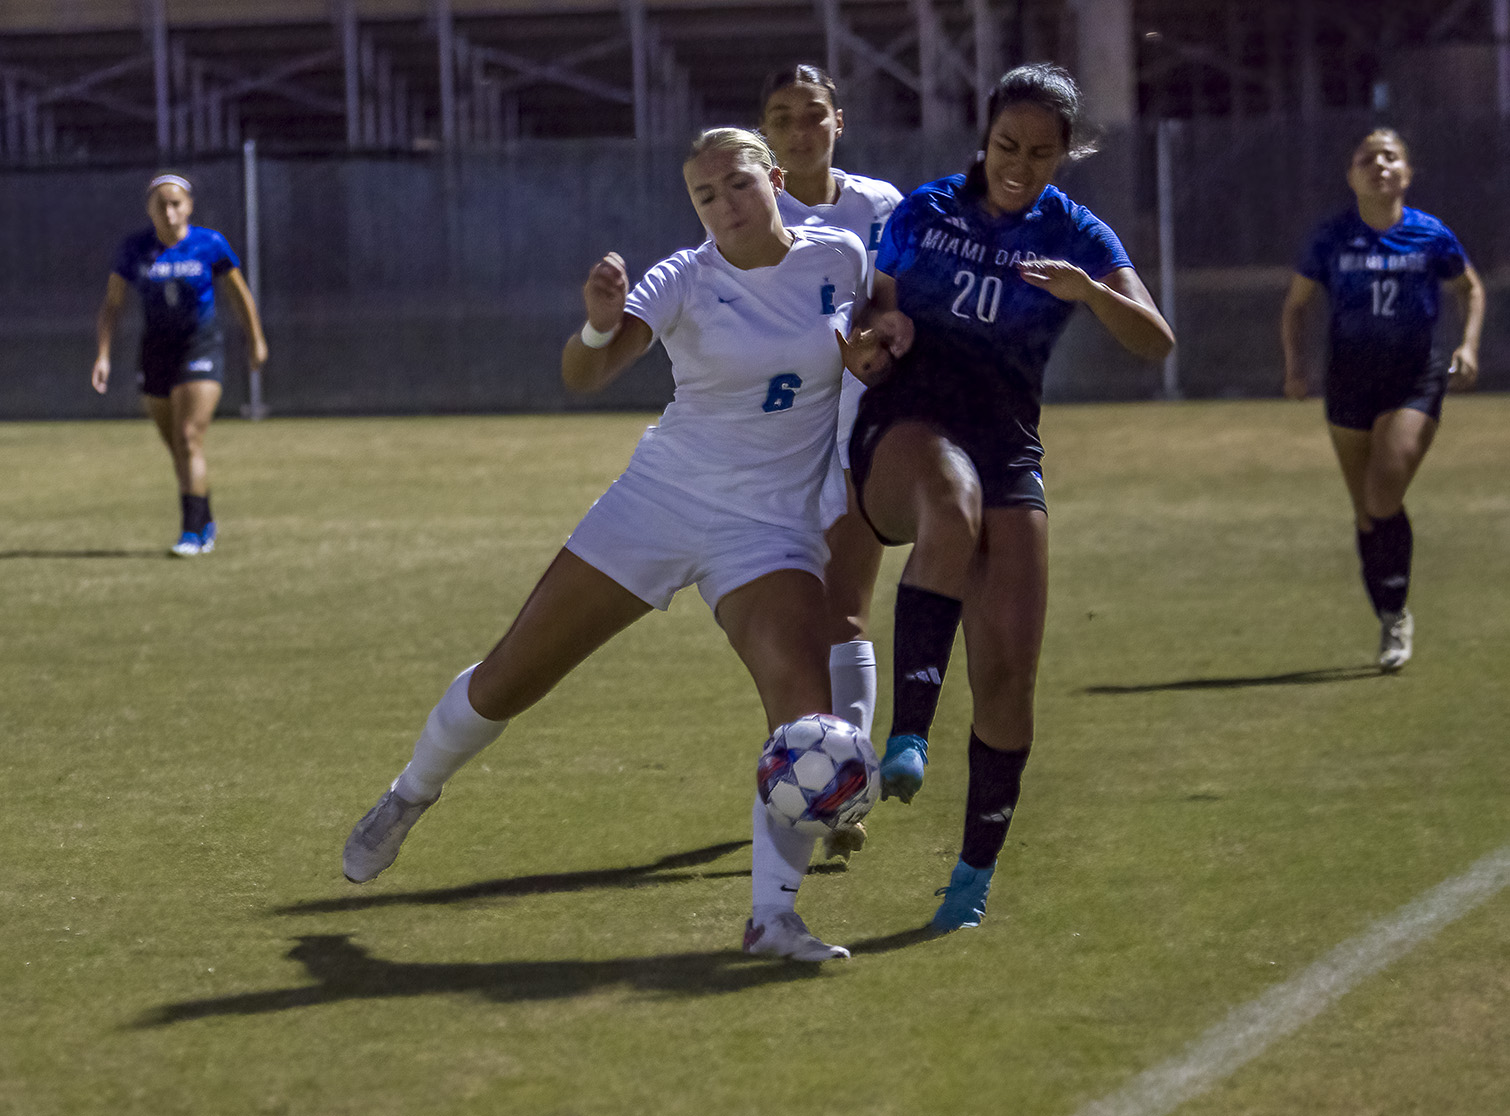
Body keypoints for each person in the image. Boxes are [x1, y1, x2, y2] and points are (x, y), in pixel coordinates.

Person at [342, 127, 873, 963]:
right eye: (705, 196)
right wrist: (595, 329)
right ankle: (412, 792)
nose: (725, 207)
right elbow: (585, 375)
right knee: (509, 678)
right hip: (658, 504)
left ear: (775, 178)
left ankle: (773, 919)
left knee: (803, 724)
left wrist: (887, 348)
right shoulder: (684, 277)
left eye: (738, 185)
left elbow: (876, 328)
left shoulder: (842, 255)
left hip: (769, 530)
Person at [838, 63, 1174, 932]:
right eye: (1005, 146)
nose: (1019, 164)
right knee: (949, 500)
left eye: (1040, 152)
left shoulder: (1078, 234)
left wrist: (1090, 293)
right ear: (982, 140)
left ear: (1066, 155)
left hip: (1007, 446)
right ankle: (907, 736)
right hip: (905, 426)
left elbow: (1156, 342)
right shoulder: (924, 211)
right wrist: (876, 337)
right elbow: (871, 320)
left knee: (1010, 679)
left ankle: (971, 876)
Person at [1280, 127, 1483, 671]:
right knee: (1367, 514)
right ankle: (1391, 614)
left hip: (1414, 378)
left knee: (1382, 494)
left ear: (1407, 174)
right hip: (1349, 380)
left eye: (1390, 157)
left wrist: (1467, 345)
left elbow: (1470, 289)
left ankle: (1395, 618)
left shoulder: (1430, 235)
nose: (1379, 165)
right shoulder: (1330, 238)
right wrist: (1295, 366)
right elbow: (1296, 305)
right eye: (1367, 158)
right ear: (1351, 176)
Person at [758, 64, 903, 746]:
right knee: (786, 625)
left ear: (838, 121)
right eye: (782, 118)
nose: (800, 130)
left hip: (863, 434)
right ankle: (813, 766)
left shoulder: (881, 207)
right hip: (780, 445)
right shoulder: (753, 214)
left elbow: (904, 310)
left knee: (844, 611)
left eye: (813, 114)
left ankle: (850, 771)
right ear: (764, 133)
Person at [92, 173, 268, 557]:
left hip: (200, 345)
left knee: (190, 437)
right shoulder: (135, 249)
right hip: (155, 352)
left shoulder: (210, 244)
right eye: (161, 204)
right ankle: (204, 518)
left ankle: (191, 533)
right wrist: (103, 354)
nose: (169, 212)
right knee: (177, 445)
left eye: (176, 203)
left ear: (189, 205)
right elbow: (113, 304)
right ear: (149, 209)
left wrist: (255, 339)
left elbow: (239, 295)